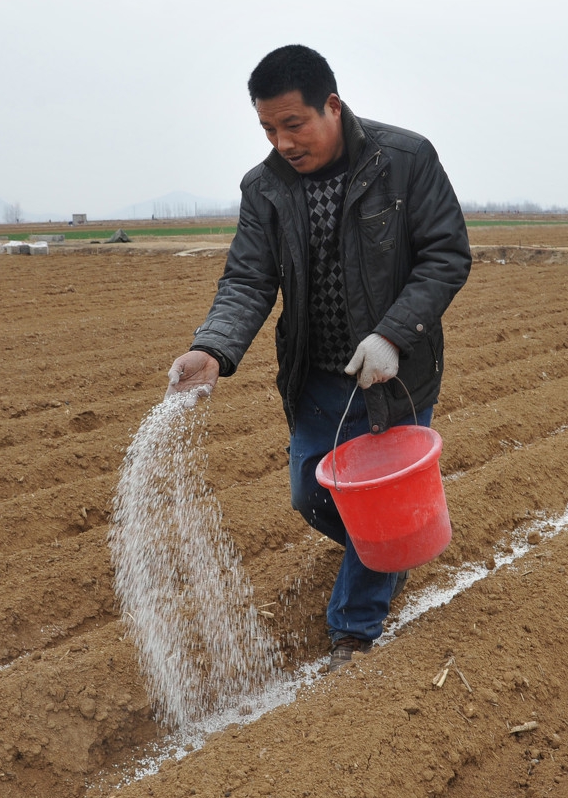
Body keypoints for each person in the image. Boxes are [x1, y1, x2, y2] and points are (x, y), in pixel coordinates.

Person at [164, 45, 471, 672]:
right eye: (268, 129)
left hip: (394, 373)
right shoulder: (265, 189)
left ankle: (353, 634)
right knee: (311, 495)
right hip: (316, 376)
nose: (282, 142)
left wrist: (392, 334)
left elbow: (446, 256)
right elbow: (248, 281)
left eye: (293, 124)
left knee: (375, 496)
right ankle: (389, 553)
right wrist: (212, 349)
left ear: (331, 105)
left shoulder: (405, 160)